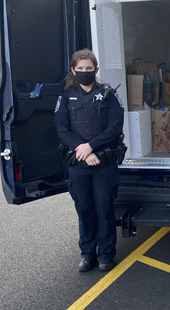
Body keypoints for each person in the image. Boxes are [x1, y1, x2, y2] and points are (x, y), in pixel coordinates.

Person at [55, 49, 124, 272]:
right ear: (74, 70)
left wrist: (91, 146)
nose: (85, 72)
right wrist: (82, 150)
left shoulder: (108, 95)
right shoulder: (66, 97)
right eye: (80, 69)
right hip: (78, 164)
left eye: (89, 68)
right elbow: (62, 129)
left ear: (96, 69)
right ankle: (87, 254)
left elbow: (115, 128)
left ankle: (106, 255)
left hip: (103, 163)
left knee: (104, 209)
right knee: (85, 210)